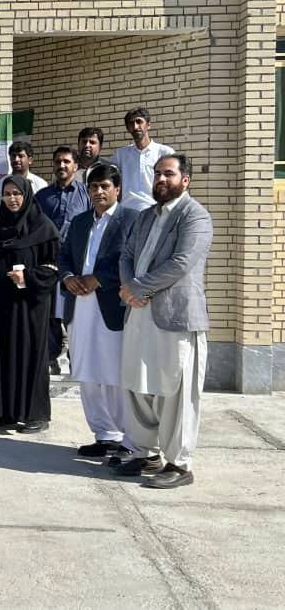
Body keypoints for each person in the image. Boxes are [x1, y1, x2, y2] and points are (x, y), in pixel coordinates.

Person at [115, 155, 212, 489]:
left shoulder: (195, 215)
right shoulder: (145, 216)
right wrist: (129, 288)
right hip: (138, 311)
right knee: (137, 384)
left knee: (176, 391)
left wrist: (138, 288)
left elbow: (182, 262)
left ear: (185, 179)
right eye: (157, 173)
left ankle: (179, 464)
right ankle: (145, 452)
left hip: (175, 316)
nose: (160, 179)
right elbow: (126, 255)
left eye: (168, 174)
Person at [58, 163, 137, 457]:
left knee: (114, 373)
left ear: (118, 189)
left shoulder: (131, 219)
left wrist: (99, 279)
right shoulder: (80, 221)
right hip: (80, 305)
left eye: (105, 186)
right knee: (87, 371)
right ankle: (105, 435)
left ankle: (129, 439)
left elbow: (131, 260)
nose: (99, 192)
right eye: (93, 186)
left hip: (111, 306)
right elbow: (64, 255)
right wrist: (68, 278)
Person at [0, 175, 59, 433]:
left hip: (29, 306)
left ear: (27, 195)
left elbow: (54, 268)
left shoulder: (43, 227)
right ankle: (3, 411)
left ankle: (35, 415)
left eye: (17, 193)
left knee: (29, 355)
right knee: (0, 354)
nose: (12, 199)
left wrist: (28, 277)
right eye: (7, 194)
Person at [35, 146, 91, 374]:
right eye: (58, 161)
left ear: (76, 166)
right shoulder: (42, 196)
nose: (62, 165)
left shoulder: (86, 194)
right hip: (48, 261)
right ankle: (50, 358)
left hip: (76, 262)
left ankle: (76, 357)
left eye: (67, 161)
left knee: (75, 311)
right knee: (49, 313)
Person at [108, 108, 174, 213]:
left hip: (156, 212)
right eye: (131, 123)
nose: (135, 126)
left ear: (148, 125)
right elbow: (109, 179)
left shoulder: (164, 153)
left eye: (139, 121)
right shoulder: (120, 155)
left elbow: (174, 182)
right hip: (126, 213)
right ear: (128, 128)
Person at [0, 141, 48, 217]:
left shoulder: (41, 184)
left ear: (30, 160)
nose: (16, 159)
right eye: (13, 156)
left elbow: (43, 210)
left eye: (20, 156)